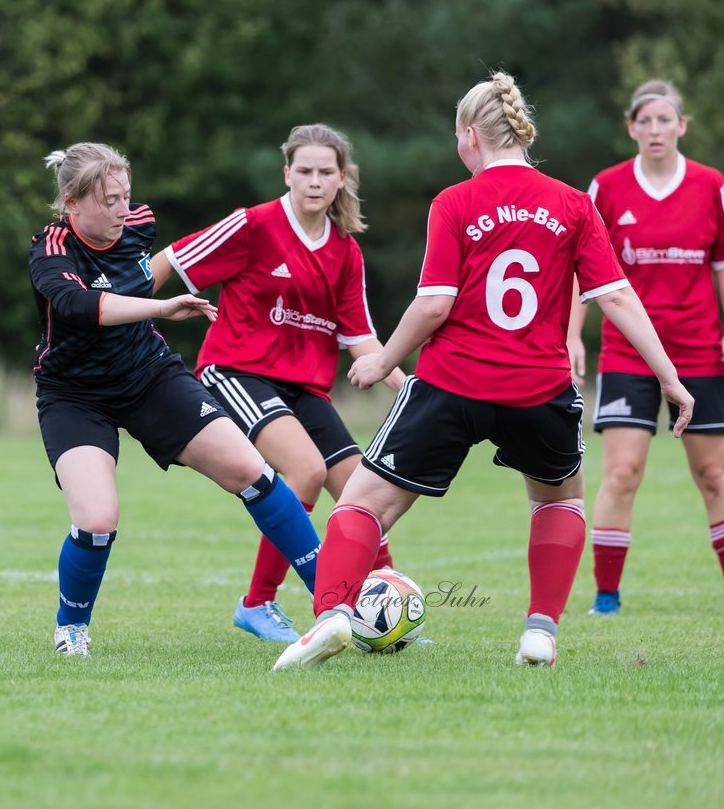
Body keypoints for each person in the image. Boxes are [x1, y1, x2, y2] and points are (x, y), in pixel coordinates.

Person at [272, 72, 694, 671]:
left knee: (363, 503)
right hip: (538, 387)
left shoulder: (455, 201)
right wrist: (670, 378)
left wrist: (383, 359)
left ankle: (334, 614)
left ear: (471, 136)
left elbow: (435, 303)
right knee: (559, 502)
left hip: (453, 383)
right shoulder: (573, 203)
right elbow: (618, 296)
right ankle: (540, 632)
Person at [29, 142, 327, 657]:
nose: (124, 209)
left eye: (126, 196)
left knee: (250, 470)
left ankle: (333, 601)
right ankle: (71, 629)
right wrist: (159, 305)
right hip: (75, 396)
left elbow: (169, 256)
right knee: (98, 519)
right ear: (73, 204)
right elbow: (79, 305)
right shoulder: (51, 248)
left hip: (150, 376)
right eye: (109, 201)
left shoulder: (139, 222)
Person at [150, 124, 405, 644]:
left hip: (302, 389)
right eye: (304, 171)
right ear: (286, 173)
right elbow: (168, 262)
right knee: (305, 470)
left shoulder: (346, 253)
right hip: (237, 370)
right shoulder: (253, 225)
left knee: (363, 491)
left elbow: (362, 342)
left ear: (342, 179)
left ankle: (389, 609)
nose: (314, 181)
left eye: (325, 172)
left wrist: (408, 386)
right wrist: (125, 317)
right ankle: (258, 604)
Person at [567, 80, 724, 615]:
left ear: (682, 126)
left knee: (714, 476)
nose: (655, 130)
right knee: (621, 472)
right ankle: (606, 597)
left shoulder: (712, 187)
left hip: (701, 352)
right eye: (645, 121)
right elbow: (581, 273)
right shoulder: (606, 188)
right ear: (631, 128)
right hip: (628, 355)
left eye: (665, 120)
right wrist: (570, 336)